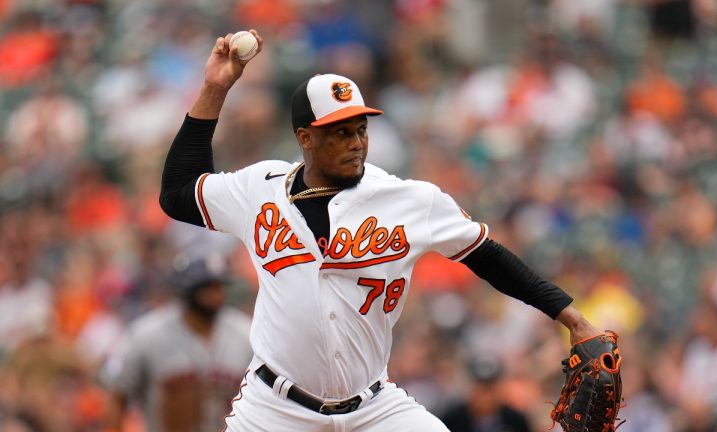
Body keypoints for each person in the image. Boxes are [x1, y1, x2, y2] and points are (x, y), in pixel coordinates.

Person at [158, 30, 600, 431]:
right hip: (274, 410)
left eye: (360, 128)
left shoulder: (409, 200)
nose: (356, 142)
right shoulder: (260, 187)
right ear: (305, 138)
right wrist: (215, 88)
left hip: (373, 409)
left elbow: (487, 255)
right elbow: (178, 192)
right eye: (339, 132)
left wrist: (571, 317)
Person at [102, 257, 252, 432]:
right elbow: (118, 394)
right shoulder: (146, 334)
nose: (217, 295)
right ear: (188, 290)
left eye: (219, 286)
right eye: (208, 287)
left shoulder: (246, 334)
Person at [440, 355, 532, 432]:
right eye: (480, 388)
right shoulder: (452, 420)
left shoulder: (515, 420)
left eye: (489, 388)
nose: (485, 397)